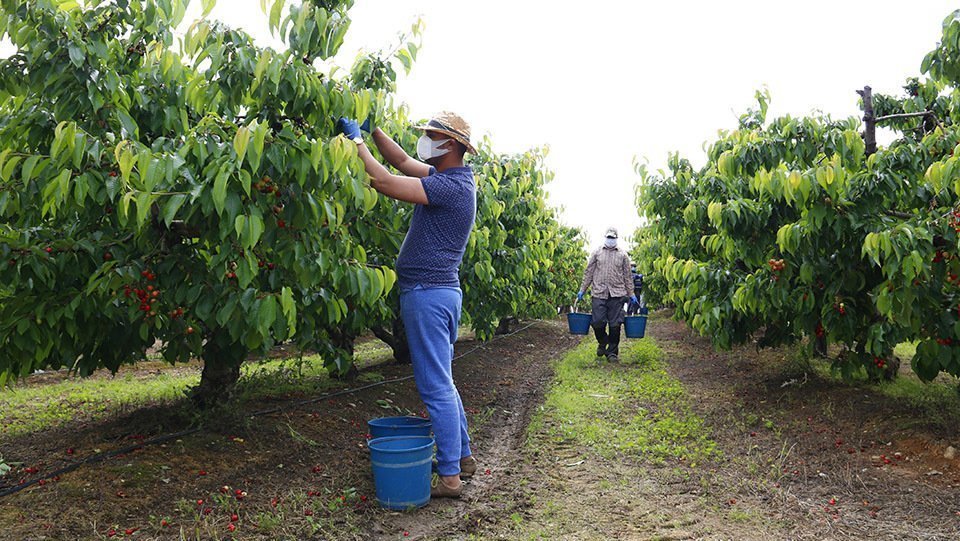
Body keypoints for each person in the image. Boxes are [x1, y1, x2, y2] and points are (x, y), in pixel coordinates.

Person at [336, 112, 478, 498]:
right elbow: (400, 161)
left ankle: (450, 477)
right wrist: (373, 130)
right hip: (438, 292)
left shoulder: (451, 189)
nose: (425, 142)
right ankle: (462, 457)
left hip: (427, 293)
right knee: (443, 382)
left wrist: (356, 143)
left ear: (451, 145)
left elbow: (383, 180)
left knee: (435, 387)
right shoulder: (452, 179)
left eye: (431, 137)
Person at [576, 228, 636, 362]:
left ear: (616, 238)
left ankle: (612, 353)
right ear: (605, 237)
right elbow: (589, 272)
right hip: (599, 292)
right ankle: (603, 342)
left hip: (617, 293)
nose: (610, 240)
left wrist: (631, 293)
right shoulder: (597, 253)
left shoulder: (623, 255)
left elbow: (627, 276)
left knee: (615, 324)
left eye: (613, 238)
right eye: (608, 237)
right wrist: (582, 289)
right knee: (597, 322)